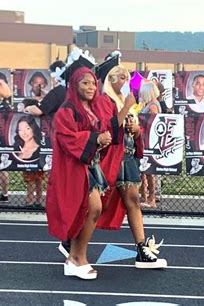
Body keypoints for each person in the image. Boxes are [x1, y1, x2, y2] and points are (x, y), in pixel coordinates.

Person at [97, 64, 167, 269]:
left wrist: (136, 130)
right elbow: (108, 128)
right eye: (120, 77)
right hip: (109, 158)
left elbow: (131, 129)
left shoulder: (125, 100)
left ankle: (142, 250)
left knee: (133, 201)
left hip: (127, 158)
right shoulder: (104, 100)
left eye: (127, 78)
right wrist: (127, 107)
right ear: (109, 79)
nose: (125, 81)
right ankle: (72, 241)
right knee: (98, 205)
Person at [46, 67, 113, 280]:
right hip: (74, 168)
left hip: (90, 164)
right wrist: (95, 139)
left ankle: (75, 257)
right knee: (92, 208)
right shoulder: (67, 110)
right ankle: (77, 258)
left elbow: (100, 132)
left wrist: (104, 139)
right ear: (75, 85)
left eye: (93, 83)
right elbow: (67, 139)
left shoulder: (92, 108)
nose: (91, 87)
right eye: (85, 83)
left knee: (89, 210)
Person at [138, 81, 161, 208]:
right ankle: (144, 195)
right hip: (144, 139)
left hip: (149, 140)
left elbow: (154, 123)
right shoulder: (148, 104)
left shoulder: (153, 106)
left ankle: (151, 198)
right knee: (144, 168)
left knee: (150, 170)